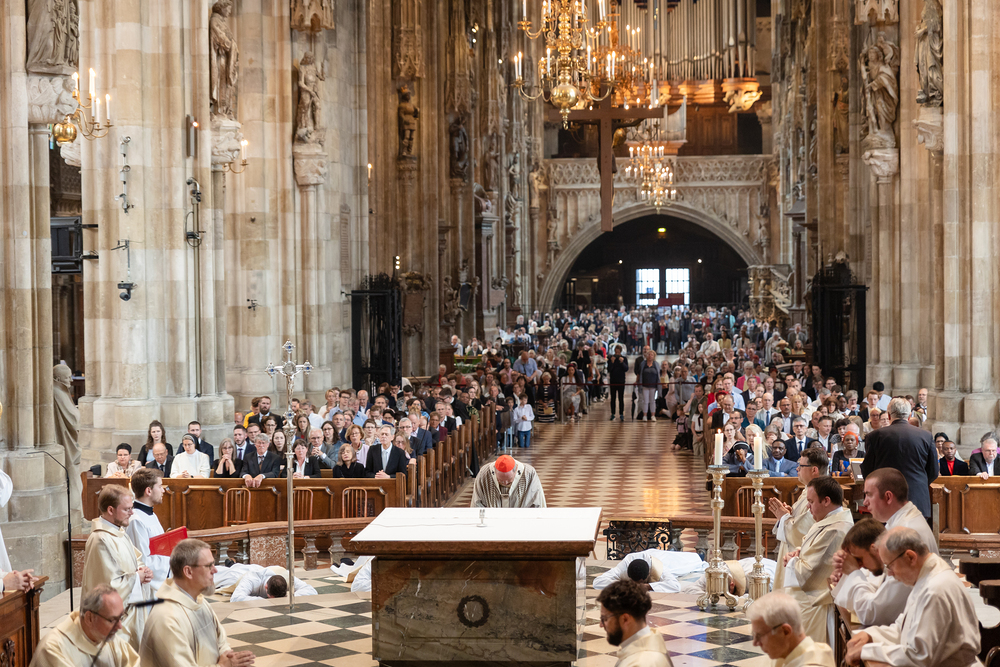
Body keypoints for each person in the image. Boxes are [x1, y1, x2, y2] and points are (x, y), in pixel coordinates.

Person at [845, 527, 980, 667]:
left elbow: (920, 656)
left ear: (910, 557)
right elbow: (904, 628)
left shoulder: (935, 589)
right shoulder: (925, 576)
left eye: (890, 566)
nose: (889, 573)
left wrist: (868, 651)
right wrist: (870, 635)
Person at [140, 539, 256, 667]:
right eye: (209, 566)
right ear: (188, 572)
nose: (215, 570)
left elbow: (221, 641)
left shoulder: (199, 602)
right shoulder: (166, 618)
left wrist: (229, 657)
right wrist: (223, 665)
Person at [783, 476, 854, 646]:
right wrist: (799, 552)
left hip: (816, 607)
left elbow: (812, 572)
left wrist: (792, 562)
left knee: (810, 652)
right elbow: (815, 550)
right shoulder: (830, 520)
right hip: (808, 604)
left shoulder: (836, 529)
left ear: (826, 501)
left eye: (811, 501)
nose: (808, 506)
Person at [82, 485, 154, 650]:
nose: (132, 513)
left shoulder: (119, 533)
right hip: (115, 622)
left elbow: (136, 559)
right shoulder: (100, 539)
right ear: (110, 510)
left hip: (130, 613)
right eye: (127, 509)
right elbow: (108, 586)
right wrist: (137, 578)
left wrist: (144, 570)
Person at [860, 397, 938, 519]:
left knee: (887, 531)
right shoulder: (925, 436)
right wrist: (919, 483)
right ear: (910, 415)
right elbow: (933, 471)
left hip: (885, 499)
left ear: (889, 416)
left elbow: (868, 470)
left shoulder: (875, 436)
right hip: (917, 498)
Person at [30, 585, 139, 667]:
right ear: (89, 618)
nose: (119, 626)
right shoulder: (53, 648)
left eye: (121, 617)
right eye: (112, 620)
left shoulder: (109, 639)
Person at [830, 518, 909, 627]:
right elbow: (871, 591)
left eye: (859, 559)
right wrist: (845, 576)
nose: (860, 565)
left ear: (874, 549)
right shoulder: (881, 565)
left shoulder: (899, 570)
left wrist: (853, 573)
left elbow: (871, 614)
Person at [768, 447, 825, 588]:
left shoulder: (819, 494)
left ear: (814, 470)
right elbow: (800, 520)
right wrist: (790, 513)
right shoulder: (808, 490)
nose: (797, 469)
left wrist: (784, 517)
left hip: (803, 562)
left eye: (801, 466)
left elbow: (803, 532)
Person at [747, 591, 835, 667]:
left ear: (785, 631)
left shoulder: (811, 664)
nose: (755, 643)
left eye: (759, 635)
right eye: (754, 635)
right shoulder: (786, 654)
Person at [596, 580, 673, 667]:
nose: (601, 625)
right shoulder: (649, 645)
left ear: (625, 619)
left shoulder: (640, 663)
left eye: (604, 619)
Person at [862, 468, 938, 554]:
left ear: (888, 497)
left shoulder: (906, 533)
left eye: (869, 495)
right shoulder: (902, 518)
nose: (865, 502)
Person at [125, 468, 170, 595]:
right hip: (148, 591)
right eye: (160, 486)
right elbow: (142, 562)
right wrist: (172, 562)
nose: (163, 490)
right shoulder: (136, 520)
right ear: (148, 491)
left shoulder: (150, 514)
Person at [593, 550, 705, 594]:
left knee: (688, 563)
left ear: (647, 576)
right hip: (642, 557)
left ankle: (699, 555)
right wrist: (625, 585)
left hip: (661, 558)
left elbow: (675, 586)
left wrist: (648, 586)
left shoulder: (658, 567)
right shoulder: (623, 568)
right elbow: (597, 582)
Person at [471, 454, 546, 508]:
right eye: (500, 480)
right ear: (494, 470)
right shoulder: (484, 474)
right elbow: (477, 503)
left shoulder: (529, 473)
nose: (505, 483)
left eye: (509, 479)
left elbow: (537, 502)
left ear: (516, 470)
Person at [213, 563, 316, 601]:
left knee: (241, 566)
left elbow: (311, 590)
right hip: (237, 578)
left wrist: (290, 598)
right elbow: (236, 598)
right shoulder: (251, 579)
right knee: (219, 573)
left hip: (261, 569)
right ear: (266, 587)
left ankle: (232, 563)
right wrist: (263, 600)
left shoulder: (285, 576)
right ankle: (230, 564)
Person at [608, 345, 629, 422]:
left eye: (618, 351)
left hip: (621, 380)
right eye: (616, 351)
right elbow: (609, 369)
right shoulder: (611, 358)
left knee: (621, 398)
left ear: (620, 351)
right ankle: (613, 413)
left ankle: (621, 414)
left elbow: (626, 369)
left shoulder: (624, 358)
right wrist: (612, 362)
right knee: (613, 398)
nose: (617, 353)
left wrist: (622, 362)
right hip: (613, 380)